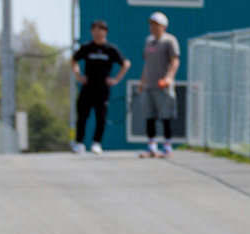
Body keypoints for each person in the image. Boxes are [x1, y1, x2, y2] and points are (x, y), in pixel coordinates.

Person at [71, 19, 131, 154]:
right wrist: (78, 75)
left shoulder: (110, 49)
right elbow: (73, 60)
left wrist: (116, 79)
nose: (98, 32)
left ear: (106, 32)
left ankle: (96, 143)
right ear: (91, 31)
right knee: (82, 116)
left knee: (101, 117)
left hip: (103, 89)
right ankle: (79, 143)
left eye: (101, 29)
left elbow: (126, 63)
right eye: (95, 29)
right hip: (87, 87)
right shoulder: (86, 47)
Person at [136, 12, 180, 159]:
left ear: (164, 26)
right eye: (151, 24)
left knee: (166, 116)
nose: (153, 27)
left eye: (157, 24)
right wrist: (142, 81)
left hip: (163, 86)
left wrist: (169, 77)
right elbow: (147, 64)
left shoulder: (169, 40)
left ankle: (167, 147)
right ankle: (151, 147)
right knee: (149, 116)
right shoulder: (148, 41)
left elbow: (175, 61)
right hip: (149, 85)